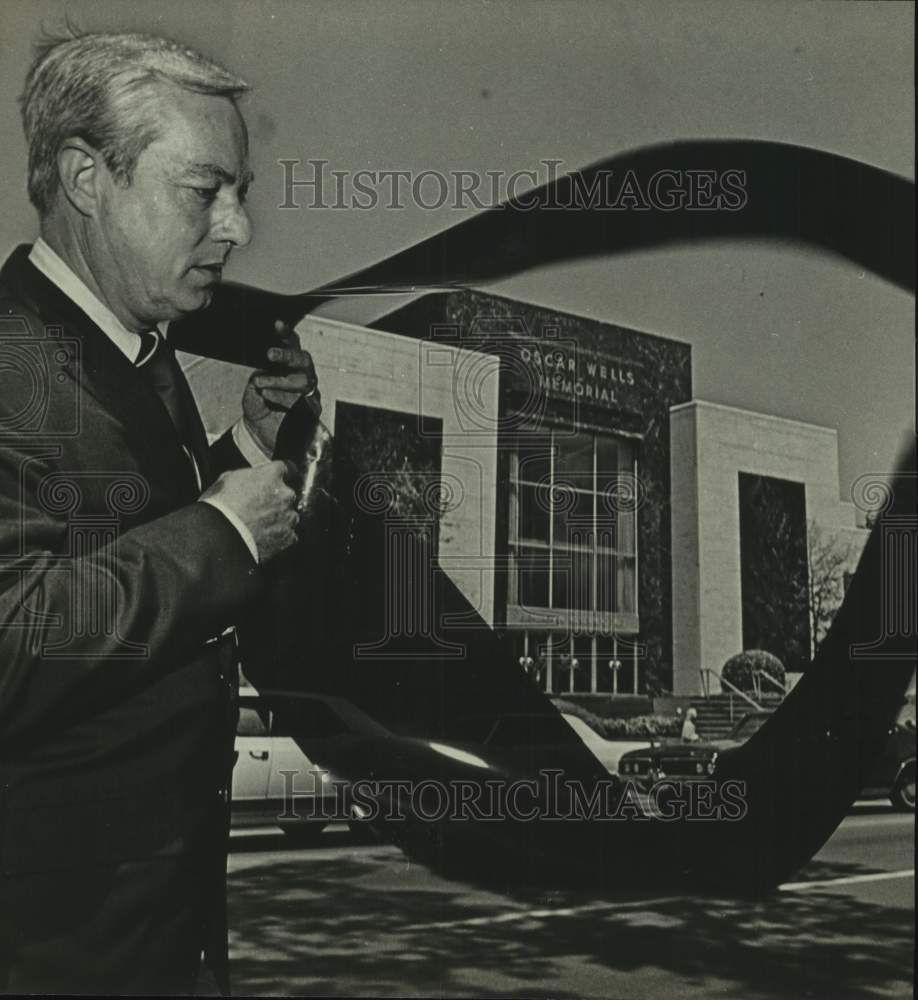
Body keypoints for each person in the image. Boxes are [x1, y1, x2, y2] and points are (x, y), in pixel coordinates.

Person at [0, 29, 321, 994]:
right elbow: (14, 639)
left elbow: (109, 539)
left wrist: (250, 449)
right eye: (204, 190)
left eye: (242, 194)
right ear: (87, 177)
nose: (237, 229)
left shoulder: (134, 352)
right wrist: (223, 531)